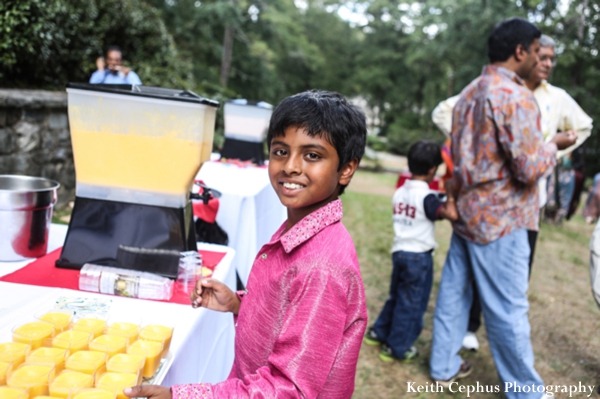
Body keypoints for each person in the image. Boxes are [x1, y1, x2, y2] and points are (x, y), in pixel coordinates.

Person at [124, 90, 368, 399]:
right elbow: (291, 311)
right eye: (280, 151)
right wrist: (241, 304)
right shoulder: (301, 226)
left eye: (312, 155)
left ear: (346, 169)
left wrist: (181, 395)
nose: (290, 166)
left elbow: (288, 389)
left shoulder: (322, 266)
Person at [429, 18, 576, 397]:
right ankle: (526, 390)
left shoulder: (469, 93)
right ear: (520, 52)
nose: (540, 59)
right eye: (537, 51)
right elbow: (528, 169)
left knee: (453, 295)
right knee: (509, 310)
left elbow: (460, 158)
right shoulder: (516, 96)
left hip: (467, 212)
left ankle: (442, 365)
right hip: (503, 220)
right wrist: (555, 145)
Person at [363, 140, 458, 362]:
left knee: (396, 296)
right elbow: (449, 214)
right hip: (419, 257)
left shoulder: (399, 192)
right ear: (433, 170)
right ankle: (396, 347)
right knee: (412, 304)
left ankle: (379, 332)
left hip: (400, 252)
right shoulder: (427, 198)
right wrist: (452, 194)